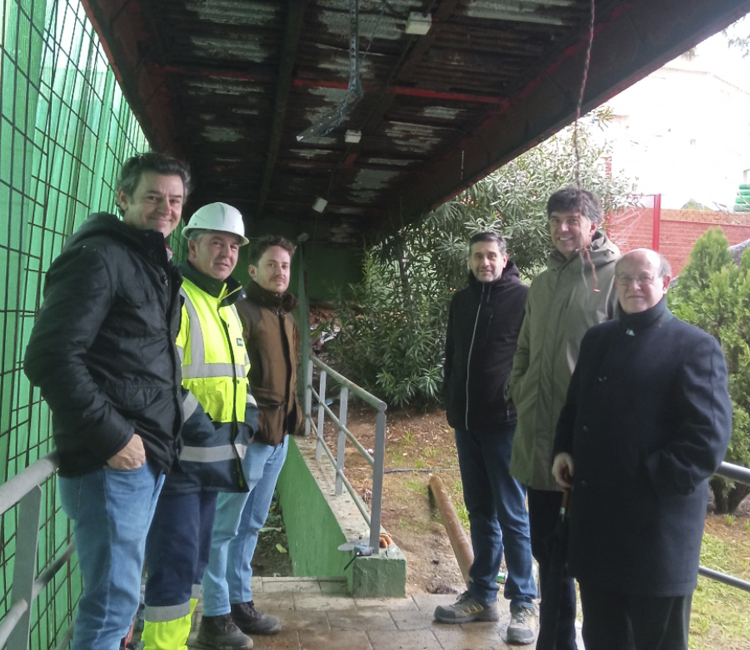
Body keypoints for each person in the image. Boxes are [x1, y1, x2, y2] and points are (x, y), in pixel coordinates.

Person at [23, 152, 190, 650]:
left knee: (119, 601)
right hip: (112, 462)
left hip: (142, 456)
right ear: (123, 197)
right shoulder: (99, 257)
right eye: (153, 196)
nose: (165, 208)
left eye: (175, 200)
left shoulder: (147, 261)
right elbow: (50, 357)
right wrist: (117, 437)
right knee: (110, 607)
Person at [551, 248, 732, 650]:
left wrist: (646, 479)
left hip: (655, 537)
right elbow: (574, 406)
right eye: (624, 278)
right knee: (601, 637)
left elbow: (707, 440)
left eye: (644, 278)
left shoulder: (695, 347)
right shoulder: (598, 339)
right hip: (599, 532)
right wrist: (564, 450)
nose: (633, 286)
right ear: (614, 285)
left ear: (664, 283)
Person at [508, 187, 620, 649]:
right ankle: (554, 642)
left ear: (593, 224)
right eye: (555, 221)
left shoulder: (615, 277)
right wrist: (519, 387)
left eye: (572, 220)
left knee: (583, 558)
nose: (562, 229)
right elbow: (525, 349)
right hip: (536, 440)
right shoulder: (543, 282)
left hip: (583, 444)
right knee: (545, 551)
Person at [142, 203, 258, 650]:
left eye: (233, 246)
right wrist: (209, 435)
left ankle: (177, 642)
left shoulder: (225, 303)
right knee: (174, 567)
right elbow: (164, 379)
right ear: (191, 245)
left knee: (193, 564)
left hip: (212, 463)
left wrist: (245, 426)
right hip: (179, 464)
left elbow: (240, 377)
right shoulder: (180, 297)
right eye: (216, 243)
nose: (226, 253)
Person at [433, 232, 537, 644]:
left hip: (505, 424)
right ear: (470, 260)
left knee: (513, 513)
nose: (484, 262)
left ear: (505, 257)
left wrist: (519, 401)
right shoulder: (461, 302)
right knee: (479, 510)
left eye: (491, 255)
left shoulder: (524, 299)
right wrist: (451, 399)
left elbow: (532, 358)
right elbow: (451, 355)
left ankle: (525, 602)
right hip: (467, 423)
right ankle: (481, 594)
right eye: (477, 256)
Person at [200, 235, 301, 641]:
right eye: (272, 265)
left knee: (253, 524)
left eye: (286, 266)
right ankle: (216, 611)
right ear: (253, 270)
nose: (280, 273)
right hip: (249, 436)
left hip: (280, 437)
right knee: (225, 526)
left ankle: (240, 603)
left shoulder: (287, 318)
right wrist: (244, 428)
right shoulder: (240, 313)